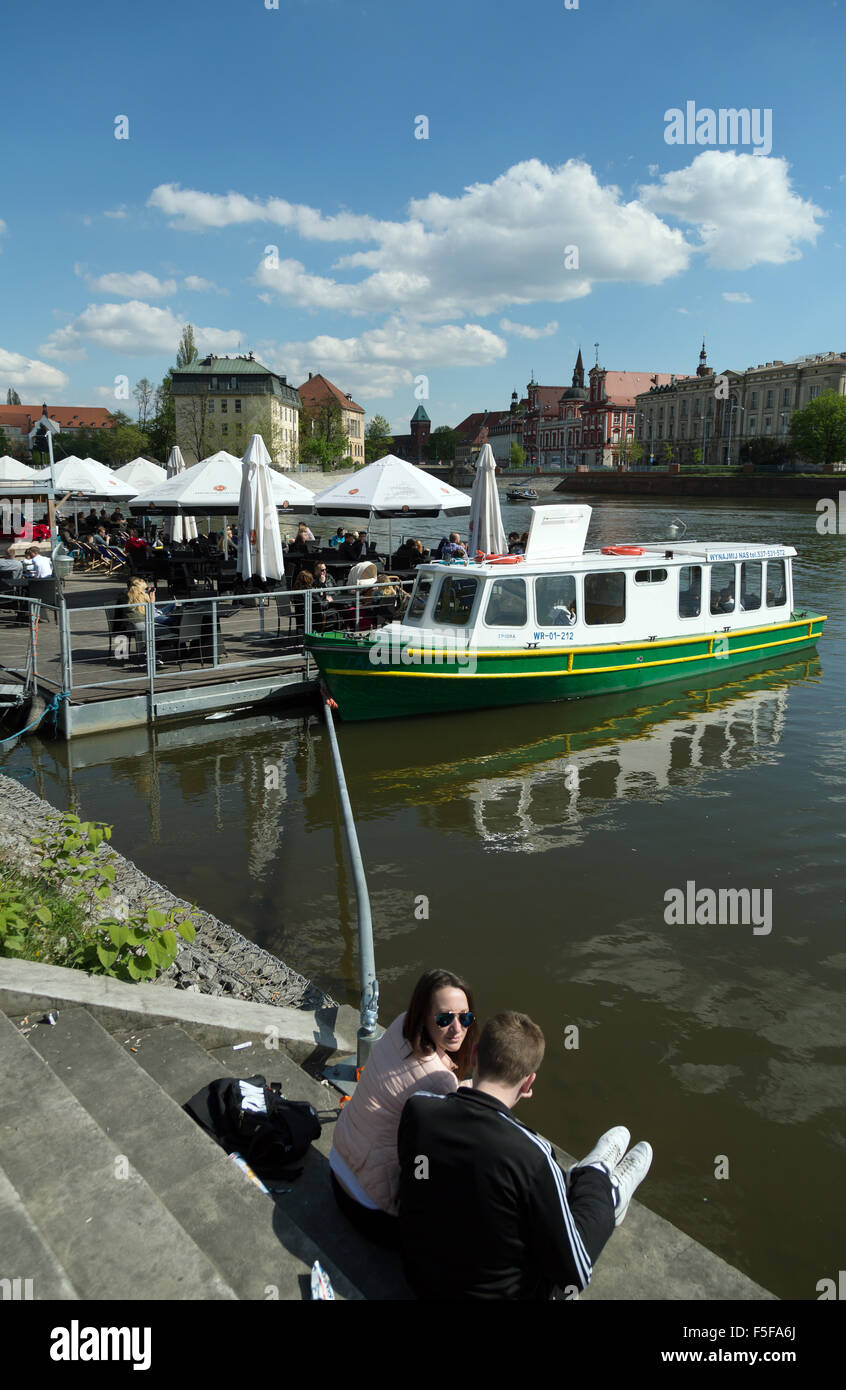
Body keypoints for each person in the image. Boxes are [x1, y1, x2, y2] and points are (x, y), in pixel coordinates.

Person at [398, 1011, 653, 1301]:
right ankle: (602, 1184)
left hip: (420, 1282)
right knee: (579, 1218)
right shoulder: (533, 1155)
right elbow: (576, 1272)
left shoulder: (419, 1108)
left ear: (475, 1054)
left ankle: (597, 1179)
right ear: (529, 1083)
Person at [329, 968, 478, 1245]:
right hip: (371, 1208)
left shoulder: (401, 1024)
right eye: (445, 1018)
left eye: (465, 1017)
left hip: (338, 1166)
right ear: (424, 1015)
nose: (458, 1029)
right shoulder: (440, 1080)